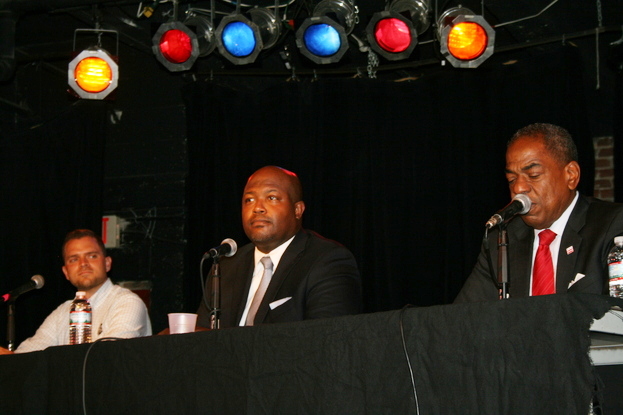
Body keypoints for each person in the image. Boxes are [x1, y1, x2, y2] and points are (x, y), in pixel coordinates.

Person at [455, 123, 623, 302]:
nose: (519, 187)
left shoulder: (612, 225)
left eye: (533, 175)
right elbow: (464, 317)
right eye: (511, 179)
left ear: (571, 175)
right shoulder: (503, 238)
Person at [197, 165, 362, 328]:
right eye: (249, 200)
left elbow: (328, 339)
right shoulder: (225, 267)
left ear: (297, 210)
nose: (258, 208)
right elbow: (201, 337)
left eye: (272, 198)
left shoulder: (327, 261)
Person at [0, 229, 151, 354]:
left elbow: (107, 357)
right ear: (66, 272)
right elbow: (23, 360)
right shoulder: (62, 312)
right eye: (74, 259)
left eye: (92, 256)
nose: (83, 264)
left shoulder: (126, 303)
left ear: (107, 263)